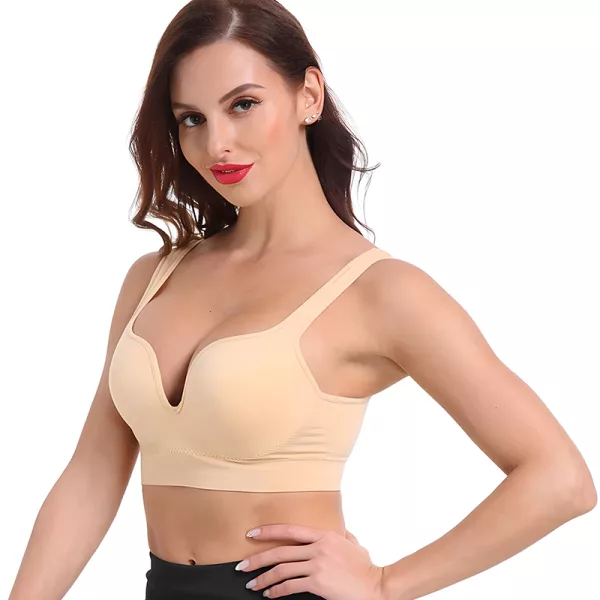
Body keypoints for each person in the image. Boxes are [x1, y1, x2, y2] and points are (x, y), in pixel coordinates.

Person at [9, 1, 596, 599]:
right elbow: (92, 474)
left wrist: (385, 585)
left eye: (243, 104)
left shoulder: (378, 292)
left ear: (308, 96)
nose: (217, 143)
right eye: (192, 118)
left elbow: (560, 479)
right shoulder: (154, 276)